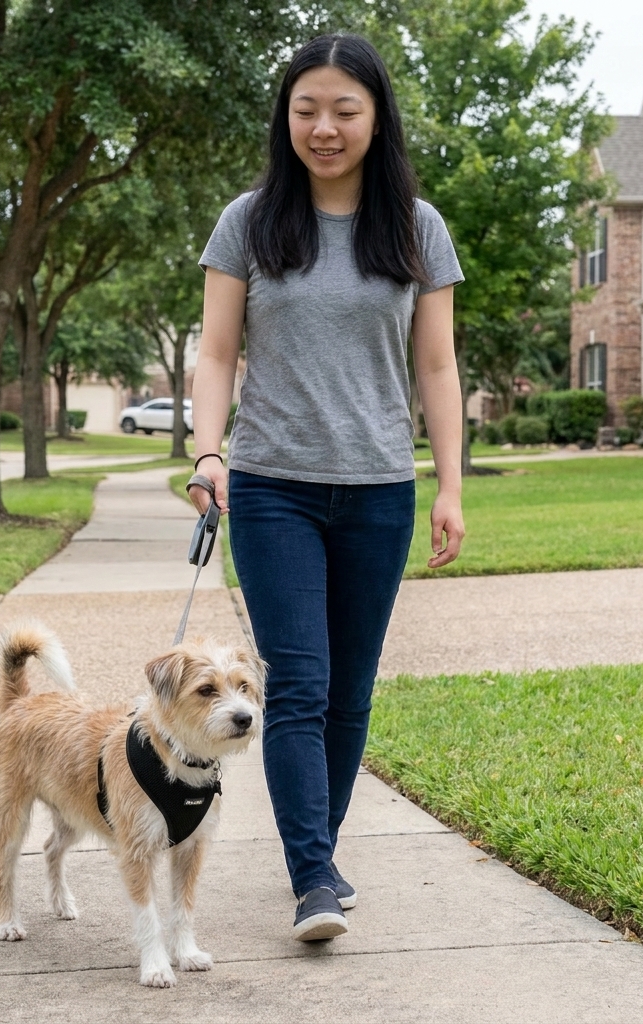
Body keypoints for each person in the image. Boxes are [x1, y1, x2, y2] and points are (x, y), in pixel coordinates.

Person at [190, 33, 465, 942]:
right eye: (307, 108)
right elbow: (218, 353)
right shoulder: (251, 221)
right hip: (272, 488)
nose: (325, 126)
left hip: (379, 490)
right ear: (287, 118)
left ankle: (321, 851)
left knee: (350, 692)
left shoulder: (416, 228)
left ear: (376, 117)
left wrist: (449, 488)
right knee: (299, 685)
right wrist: (208, 451)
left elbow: (437, 369)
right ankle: (312, 876)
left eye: (345, 109)